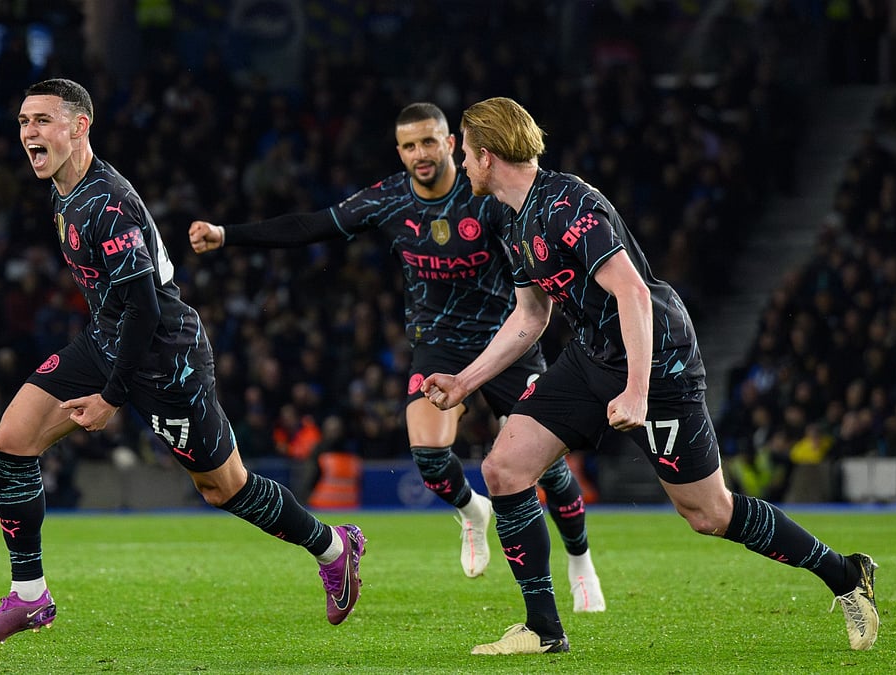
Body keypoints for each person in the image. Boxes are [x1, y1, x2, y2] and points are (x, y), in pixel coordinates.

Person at [422, 97, 878, 656]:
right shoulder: (510, 218)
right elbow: (530, 316)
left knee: (709, 514)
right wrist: (465, 383)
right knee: (504, 467)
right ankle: (543, 630)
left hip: (657, 362)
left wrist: (637, 390)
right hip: (593, 355)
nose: (460, 162)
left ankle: (846, 574)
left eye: (465, 152)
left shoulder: (569, 204)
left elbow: (633, 292)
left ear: (487, 155)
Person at [0, 78, 365, 650]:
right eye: (24, 122)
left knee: (225, 488)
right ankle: (30, 595)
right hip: (109, 337)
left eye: (43, 120)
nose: (29, 132)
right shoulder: (64, 190)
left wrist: (111, 398)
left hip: (163, 355)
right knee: (11, 439)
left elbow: (147, 308)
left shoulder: (107, 202)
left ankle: (332, 546)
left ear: (80, 127)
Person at [189, 102, 605, 612]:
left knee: (547, 468)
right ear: (399, 152)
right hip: (436, 343)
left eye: (429, 142)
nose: (420, 154)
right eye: (409, 146)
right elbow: (311, 226)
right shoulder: (389, 200)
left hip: (506, 343)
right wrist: (228, 235)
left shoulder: (487, 197)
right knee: (430, 459)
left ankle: (580, 559)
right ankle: (472, 510)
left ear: (451, 143)